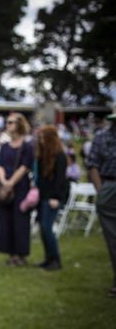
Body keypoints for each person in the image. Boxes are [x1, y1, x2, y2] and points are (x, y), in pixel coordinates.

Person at [0, 113, 34, 267]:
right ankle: (11, 254)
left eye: (11, 122)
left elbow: (25, 167)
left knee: (20, 221)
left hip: (21, 187)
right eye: (7, 122)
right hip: (6, 187)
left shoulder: (27, 146)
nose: (8, 125)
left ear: (19, 125)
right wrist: (4, 182)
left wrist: (10, 183)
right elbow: (0, 165)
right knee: (6, 221)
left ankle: (21, 254)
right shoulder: (4, 146)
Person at [86, 112, 116, 297]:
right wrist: (101, 190)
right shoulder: (102, 137)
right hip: (109, 185)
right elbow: (93, 165)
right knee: (113, 239)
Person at [34, 125, 68, 271]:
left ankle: (56, 260)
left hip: (53, 199)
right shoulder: (43, 157)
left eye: (43, 138)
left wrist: (56, 198)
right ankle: (48, 258)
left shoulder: (60, 156)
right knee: (43, 228)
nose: (40, 141)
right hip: (43, 197)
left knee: (47, 228)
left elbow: (60, 180)